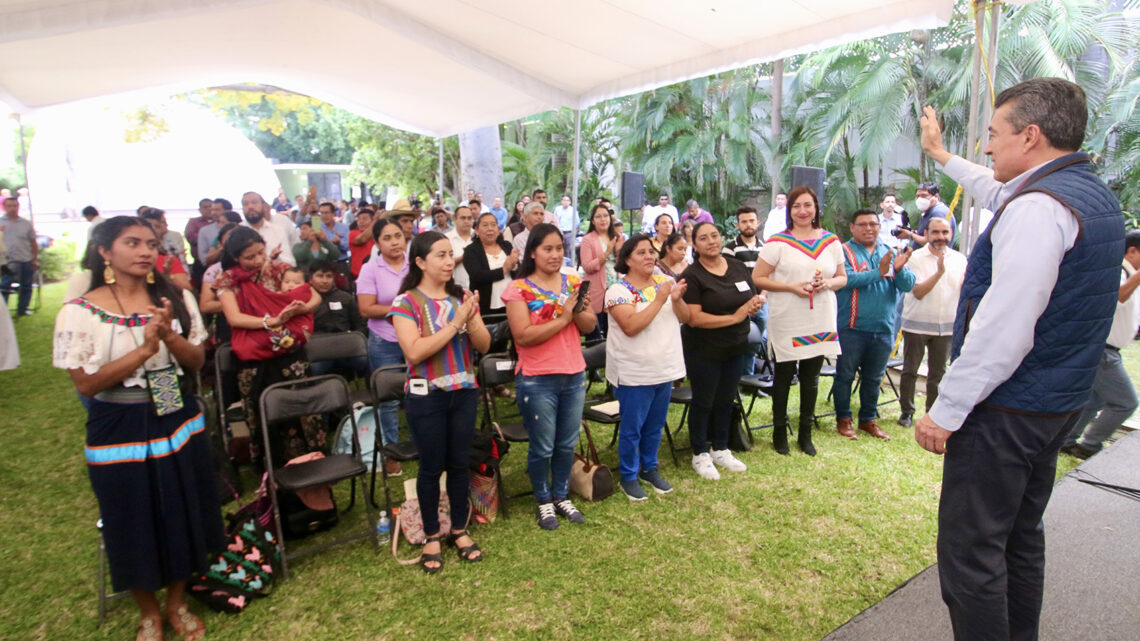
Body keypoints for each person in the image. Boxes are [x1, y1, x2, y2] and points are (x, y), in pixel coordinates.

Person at [917, 78, 1124, 641]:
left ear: (1029, 136)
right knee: (1018, 539)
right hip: (1053, 403)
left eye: (993, 134)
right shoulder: (1082, 191)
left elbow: (1003, 328)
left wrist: (947, 409)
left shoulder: (1039, 208)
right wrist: (940, 154)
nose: (986, 147)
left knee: (972, 555)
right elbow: (994, 189)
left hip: (1007, 410)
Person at [53, 216, 222, 641]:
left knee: (180, 497)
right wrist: (144, 349)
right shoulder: (81, 311)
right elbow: (87, 383)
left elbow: (197, 363)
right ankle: (148, 611)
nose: (146, 251)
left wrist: (167, 337)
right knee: (130, 507)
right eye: (133, 243)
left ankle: (177, 601)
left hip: (169, 395)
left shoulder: (174, 296)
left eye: (151, 243)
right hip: (116, 412)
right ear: (105, 252)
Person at [390, 231, 491, 572]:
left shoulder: (460, 296)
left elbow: (485, 345)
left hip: (463, 391)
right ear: (420, 262)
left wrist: (472, 318)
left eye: (451, 254)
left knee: (459, 463)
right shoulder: (405, 302)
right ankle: (432, 534)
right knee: (432, 467)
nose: (450, 261)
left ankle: (459, 529)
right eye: (441, 255)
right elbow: (415, 351)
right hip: (426, 396)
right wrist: (458, 321)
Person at [502, 223, 596, 530]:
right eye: (547, 249)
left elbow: (589, 326)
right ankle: (543, 500)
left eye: (559, 248)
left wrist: (576, 307)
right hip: (537, 378)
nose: (555, 255)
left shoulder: (572, 279)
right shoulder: (518, 289)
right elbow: (524, 336)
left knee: (567, 443)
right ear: (532, 252)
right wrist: (564, 316)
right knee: (542, 445)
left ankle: (561, 494)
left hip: (573, 373)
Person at [215, 226, 322, 465]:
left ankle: (307, 464)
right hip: (255, 361)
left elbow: (313, 295)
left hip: (290, 355)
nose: (258, 261)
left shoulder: (278, 269)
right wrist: (271, 321)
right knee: (263, 413)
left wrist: (302, 309)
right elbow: (234, 318)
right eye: (249, 257)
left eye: (261, 253)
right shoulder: (227, 280)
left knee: (298, 410)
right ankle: (271, 469)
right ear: (235, 258)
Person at [753, 186, 846, 455]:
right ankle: (779, 431)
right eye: (796, 206)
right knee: (783, 376)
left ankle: (805, 433)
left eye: (808, 205)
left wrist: (827, 282)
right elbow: (758, 278)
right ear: (789, 210)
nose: (803, 211)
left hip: (820, 315)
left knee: (812, 376)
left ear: (816, 208)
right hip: (788, 316)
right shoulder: (777, 242)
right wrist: (792, 287)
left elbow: (843, 277)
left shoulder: (830, 241)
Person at [605, 234, 689, 500]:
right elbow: (630, 327)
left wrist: (675, 299)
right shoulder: (618, 290)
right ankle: (629, 476)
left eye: (652, 252)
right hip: (634, 372)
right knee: (632, 428)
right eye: (641, 253)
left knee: (655, 425)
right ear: (627, 259)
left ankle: (649, 468)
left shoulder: (665, 282)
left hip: (664, 367)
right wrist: (659, 300)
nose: (649, 257)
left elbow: (686, 318)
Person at [680, 221, 764, 478]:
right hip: (703, 347)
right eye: (703, 238)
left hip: (736, 345)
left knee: (726, 398)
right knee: (704, 400)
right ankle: (700, 452)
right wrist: (735, 317)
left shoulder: (737, 267)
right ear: (695, 245)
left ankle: (720, 447)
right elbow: (693, 318)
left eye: (714, 235)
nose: (711, 241)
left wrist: (755, 304)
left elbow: (750, 295)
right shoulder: (691, 275)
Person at [833, 208, 915, 441]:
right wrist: (879, 273)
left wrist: (897, 269)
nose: (869, 228)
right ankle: (844, 419)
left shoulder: (889, 251)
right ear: (852, 227)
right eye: (863, 224)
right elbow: (845, 280)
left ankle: (868, 420)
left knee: (874, 378)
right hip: (851, 327)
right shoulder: (843, 251)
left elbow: (908, 285)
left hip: (884, 328)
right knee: (845, 376)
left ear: (880, 227)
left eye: (873, 224)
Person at [1060, 228, 1140, 459]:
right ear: (1131, 251)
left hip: (1106, 350)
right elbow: (1117, 296)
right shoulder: (1118, 271)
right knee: (1126, 402)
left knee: (1093, 401)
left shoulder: (1127, 273)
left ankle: (1068, 440)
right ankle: (1089, 444)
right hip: (1102, 350)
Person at [897, 216, 965, 428]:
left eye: (945, 233)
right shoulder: (915, 258)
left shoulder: (960, 259)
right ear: (926, 234)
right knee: (910, 370)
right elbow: (918, 292)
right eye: (935, 232)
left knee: (938, 373)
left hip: (946, 326)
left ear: (951, 234)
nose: (940, 237)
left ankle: (932, 413)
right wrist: (939, 272)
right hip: (917, 323)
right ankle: (906, 411)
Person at [356, 217, 408, 476]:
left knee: (420, 390)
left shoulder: (416, 263)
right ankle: (392, 453)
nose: (394, 242)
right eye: (387, 238)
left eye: (397, 235)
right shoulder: (370, 269)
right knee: (388, 399)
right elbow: (366, 308)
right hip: (384, 339)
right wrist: (402, 309)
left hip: (415, 338)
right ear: (377, 243)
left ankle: (423, 444)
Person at [308, 259, 368, 375]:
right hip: (320, 351)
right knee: (314, 368)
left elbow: (360, 325)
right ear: (310, 279)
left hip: (347, 348)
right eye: (320, 276)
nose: (325, 281)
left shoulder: (345, 298)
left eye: (329, 276)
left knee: (365, 359)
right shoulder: (305, 301)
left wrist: (353, 340)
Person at [579, 204, 622, 337]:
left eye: (605, 216)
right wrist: (607, 252)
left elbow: (623, 265)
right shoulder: (588, 239)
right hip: (596, 290)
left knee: (614, 331)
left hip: (615, 287)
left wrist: (620, 252)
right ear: (593, 221)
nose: (603, 219)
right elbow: (587, 266)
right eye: (598, 216)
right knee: (597, 333)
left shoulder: (617, 237)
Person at [464, 212, 519, 317]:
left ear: (498, 229)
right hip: (487, 306)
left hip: (512, 302)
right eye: (485, 225)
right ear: (477, 230)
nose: (490, 228)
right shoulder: (471, 250)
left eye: (493, 225)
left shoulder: (507, 245)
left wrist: (515, 264)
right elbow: (477, 275)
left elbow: (517, 271)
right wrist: (503, 270)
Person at [139, 209, 193, 291]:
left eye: (163, 222)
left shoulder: (169, 255)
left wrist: (168, 276)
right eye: (156, 225)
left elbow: (186, 287)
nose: (165, 225)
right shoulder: (137, 257)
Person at [0, 196, 37, 316]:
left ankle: (23, 309)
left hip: (25, 259)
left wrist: (35, 259)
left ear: (18, 207)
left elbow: (33, 242)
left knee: (26, 286)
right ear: (4, 207)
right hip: (7, 261)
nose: (12, 208)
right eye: (9, 206)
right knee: (5, 286)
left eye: (14, 205)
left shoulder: (25, 223)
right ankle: (3, 312)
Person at [241, 191, 296, 267]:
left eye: (254, 202)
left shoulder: (278, 231)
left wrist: (274, 260)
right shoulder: (237, 233)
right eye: (245, 204)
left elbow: (290, 262)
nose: (250, 206)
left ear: (263, 206)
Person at [899, 182, 956, 248]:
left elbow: (931, 240)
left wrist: (909, 235)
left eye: (924, 196)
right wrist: (915, 233)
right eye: (917, 196)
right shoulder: (929, 211)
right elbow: (927, 234)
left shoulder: (938, 213)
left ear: (936, 196)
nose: (920, 199)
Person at [446, 205, 476, 289]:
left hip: (479, 289)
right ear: (455, 219)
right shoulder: (447, 239)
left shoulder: (479, 237)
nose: (466, 221)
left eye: (469, 218)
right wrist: (463, 257)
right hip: (455, 288)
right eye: (463, 218)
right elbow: (443, 264)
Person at [348, 207, 376, 278]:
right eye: (359, 219)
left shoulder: (377, 234)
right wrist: (376, 221)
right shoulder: (353, 233)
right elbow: (363, 239)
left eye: (364, 219)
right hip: (358, 275)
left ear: (372, 220)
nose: (361, 222)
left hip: (375, 273)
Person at [553, 195, 579, 265]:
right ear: (561, 201)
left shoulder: (573, 210)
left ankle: (568, 266)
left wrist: (574, 233)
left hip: (569, 233)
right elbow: (554, 220)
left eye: (567, 200)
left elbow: (577, 223)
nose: (565, 202)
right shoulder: (557, 209)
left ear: (570, 202)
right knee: (559, 248)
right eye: (564, 200)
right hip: (559, 232)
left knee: (568, 250)